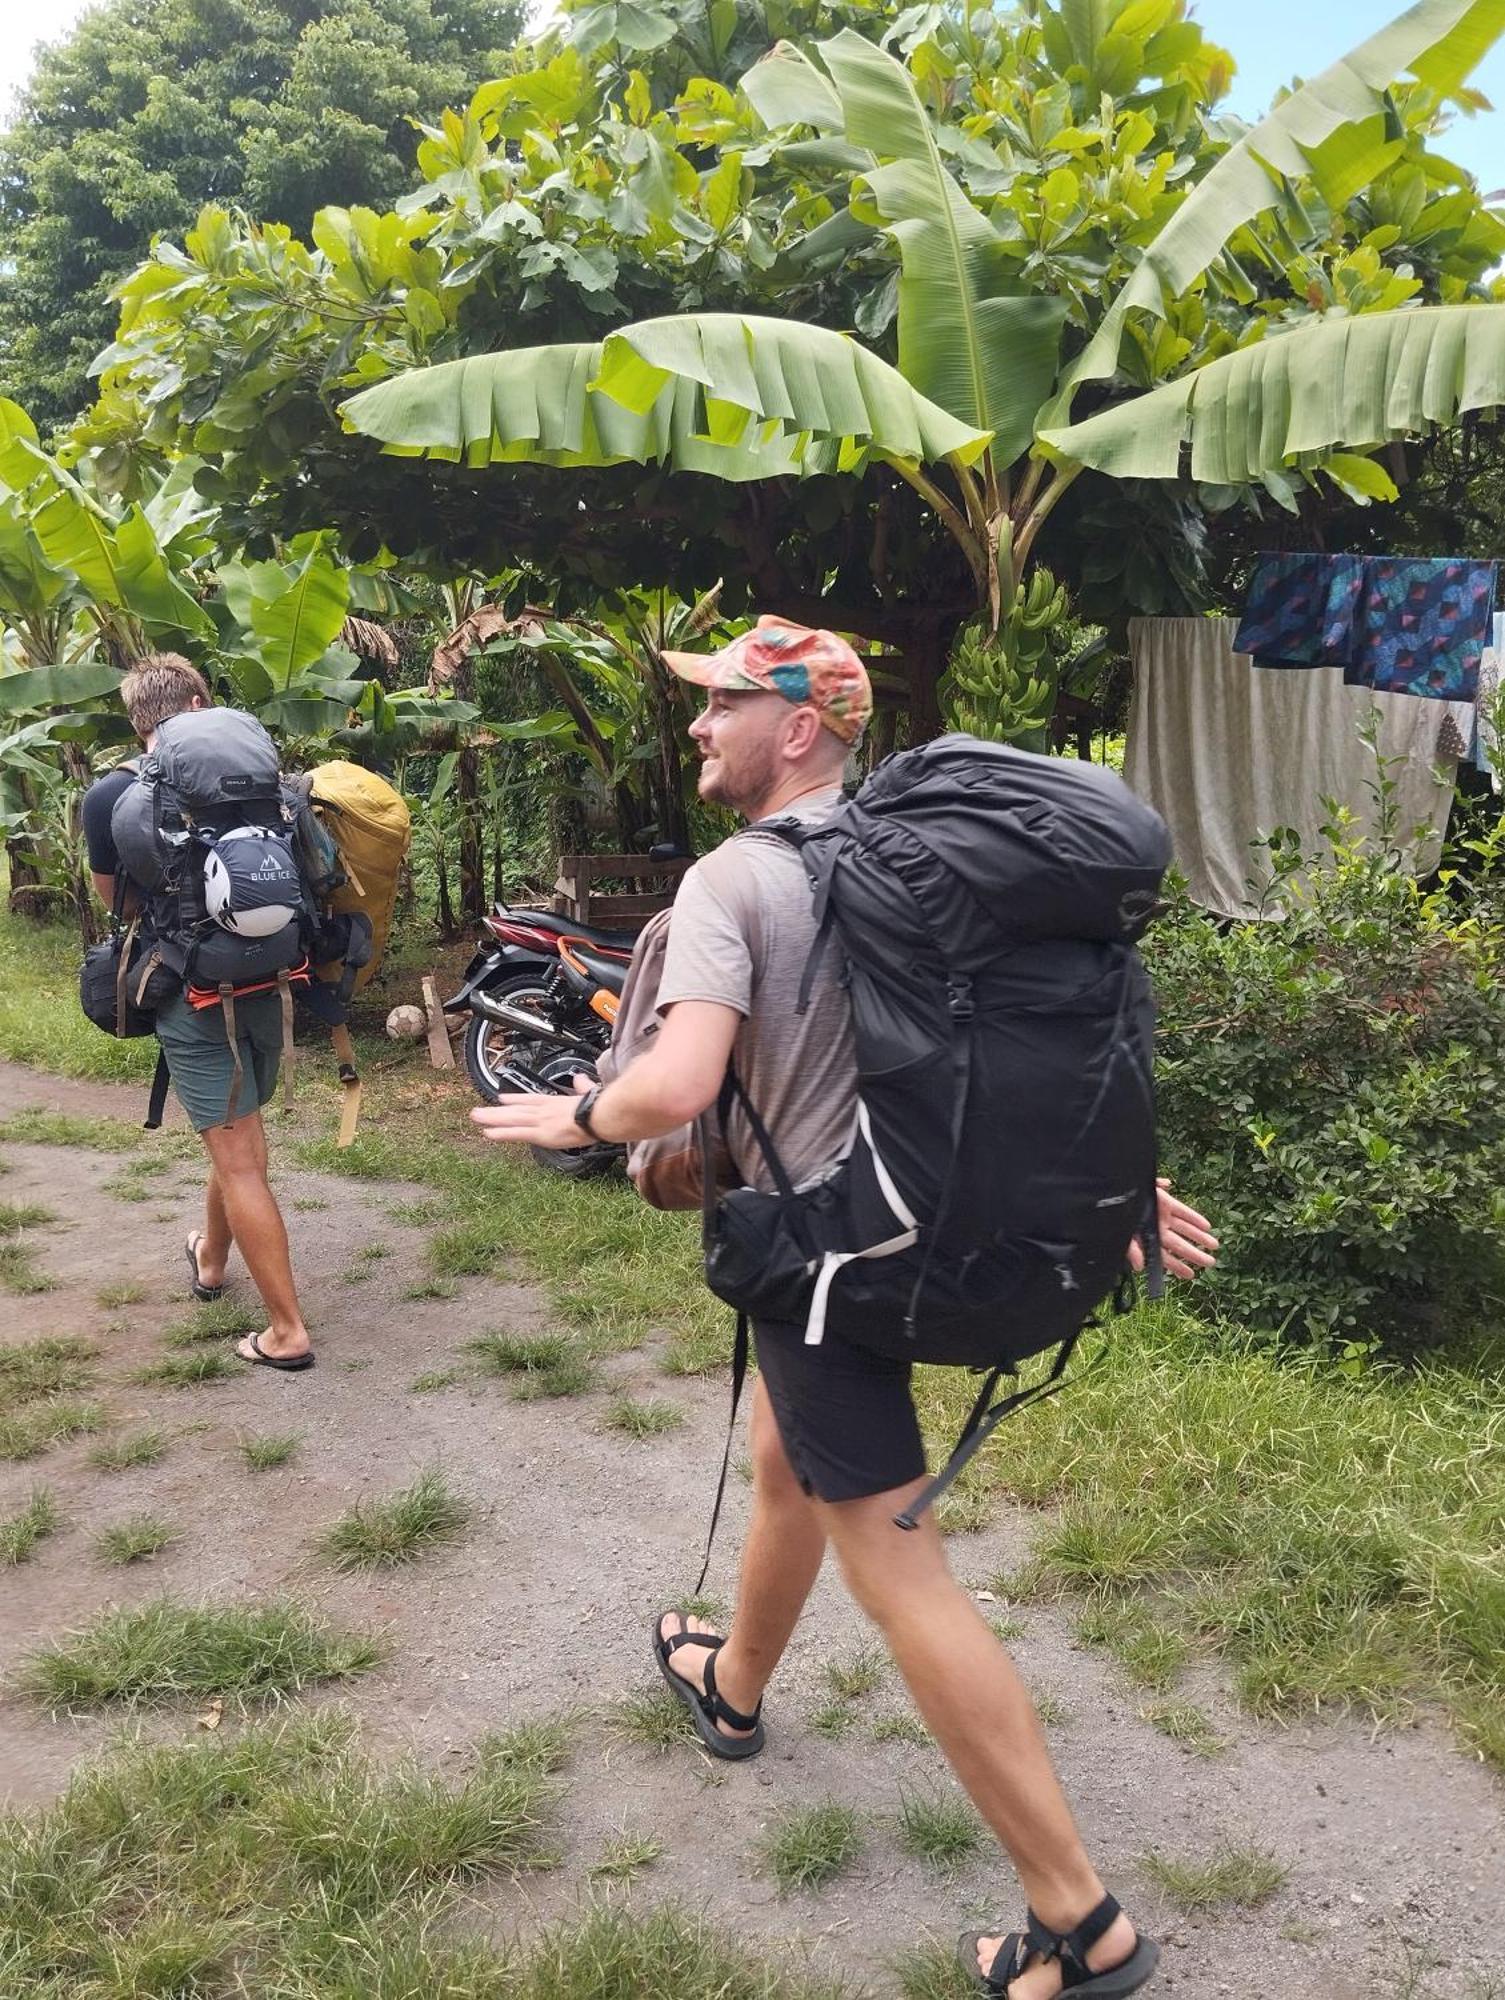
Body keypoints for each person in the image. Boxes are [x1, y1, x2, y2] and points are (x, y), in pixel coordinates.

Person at [471, 617, 1219, 1999]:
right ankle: (733, 1686)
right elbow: (1007, 1048)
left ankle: (1080, 1922)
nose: (696, 730)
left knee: (900, 1570)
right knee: (785, 1462)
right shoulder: (921, 866)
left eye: (720, 709)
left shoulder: (733, 882)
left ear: (797, 724)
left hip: (830, 1268)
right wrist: (1104, 1182)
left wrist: (572, 1109)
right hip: (932, 1230)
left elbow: (676, 1088)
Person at [82, 653, 314, 1371]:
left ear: (136, 719)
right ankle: (212, 1257)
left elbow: (114, 901)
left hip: (192, 989)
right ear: (198, 701)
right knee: (237, 1134)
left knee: (239, 1158)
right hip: (273, 978)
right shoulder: (262, 785)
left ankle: (286, 1333)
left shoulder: (112, 796)